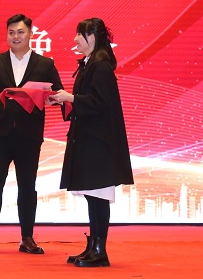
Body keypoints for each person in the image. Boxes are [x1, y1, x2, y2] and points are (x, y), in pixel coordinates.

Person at [0, 14, 63, 255]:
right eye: (11, 32)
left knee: (27, 185)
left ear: (30, 34)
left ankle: (27, 238)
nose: (16, 36)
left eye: (20, 32)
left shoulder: (45, 64)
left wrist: (48, 97)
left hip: (29, 135)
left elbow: (58, 94)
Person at [50, 18, 134, 267]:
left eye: (80, 34)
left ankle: (100, 250)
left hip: (99, 144)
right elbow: (87, 101)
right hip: (88, 140)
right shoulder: (90, 64)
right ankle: (93, 246)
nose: (75, 39)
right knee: (92, 195)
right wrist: (65, 100)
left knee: (98, 196)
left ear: (93, 38)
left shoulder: (101, 67)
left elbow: (100, 103)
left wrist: (71, 98)